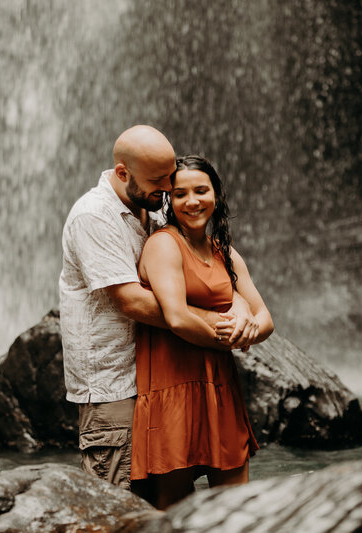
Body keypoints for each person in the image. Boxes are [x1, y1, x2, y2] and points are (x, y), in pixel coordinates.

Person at [59, 126, 260, 490]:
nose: (169, 189)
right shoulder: (94, 216)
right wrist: (219, 326)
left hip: (158, 381)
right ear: (123, 173)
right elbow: (131, 300)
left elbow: (211, 276)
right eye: (159, 181)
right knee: (119, 511)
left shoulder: (150, 208)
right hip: (114, 385)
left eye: (170, 178)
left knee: (160, 511)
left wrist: (242, 307)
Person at [131, 154, 274, 509]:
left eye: (201, 190)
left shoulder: (224, 251)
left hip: (220, 388)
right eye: (180, 194)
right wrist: (231, 333)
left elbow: (266, 319)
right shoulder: (163, 244)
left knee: (237, 510)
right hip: (173, 389)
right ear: (169, 199)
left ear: (216, 194)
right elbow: (176, 318)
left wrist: (248, 326)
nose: (192, 201)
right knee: (176, 515)